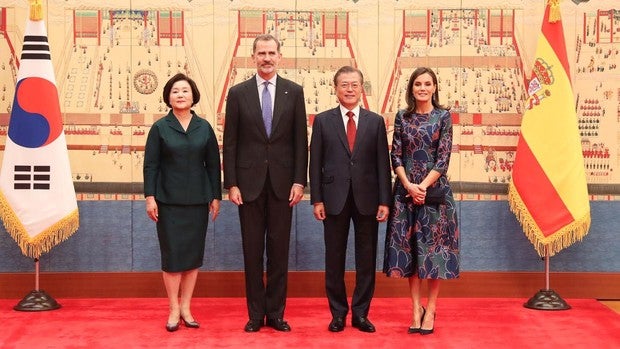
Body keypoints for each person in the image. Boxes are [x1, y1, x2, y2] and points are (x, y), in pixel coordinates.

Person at [223, 34, 308, 333]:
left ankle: (276, 313)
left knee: (279, 251)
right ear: (253, 57)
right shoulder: (237, 93)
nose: (267, 58)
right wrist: (230, 183)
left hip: (284, 186)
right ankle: (255, 315)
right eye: (261, 53)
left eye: (272, 53)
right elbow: (230, 143)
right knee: (252, 251)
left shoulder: (294, 92)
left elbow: (301, 142)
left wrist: (300, 180)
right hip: (247, 186)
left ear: (280, 56)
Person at [310, 66, 391, 333]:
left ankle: (361, 313)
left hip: (368, 199)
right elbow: (315, 163)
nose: (349, 89)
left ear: (361, 88)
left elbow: (382, 163)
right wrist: (317, 200)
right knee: (334, 259)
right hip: (333, 199)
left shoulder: (375, 121)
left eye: (354, 84)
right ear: (335, 89)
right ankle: (337, 313)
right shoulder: (322, 120)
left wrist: (384, 201)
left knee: (366, 259)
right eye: (344, 84)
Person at [383, 67, 459, 335]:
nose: (423, 88)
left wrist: (423, 187)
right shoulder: (403, 117)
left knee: (433, 255)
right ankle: (416, 309)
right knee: (412, 253)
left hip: (434, 194)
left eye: (428, 84)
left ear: (435, 87)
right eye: (418, 84)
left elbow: (443, 159)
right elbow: (396, 156)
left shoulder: (443, 117)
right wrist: (408, 186)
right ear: (411, 89)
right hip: (405, 192)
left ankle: (432, 308)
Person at [143, 73, 222, 332]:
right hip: (167, 202)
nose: (180, 95)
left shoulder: (204, 127)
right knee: (173, 257)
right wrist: (150, 197)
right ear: (168, 96)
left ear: (193, 96)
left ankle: (187, 306)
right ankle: (173, 308)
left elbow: (212, 165)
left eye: (185, 91)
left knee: (192, 257)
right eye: (175, 91)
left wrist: (215, 197)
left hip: (198, 202)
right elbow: (151, 165)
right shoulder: (160, 128)